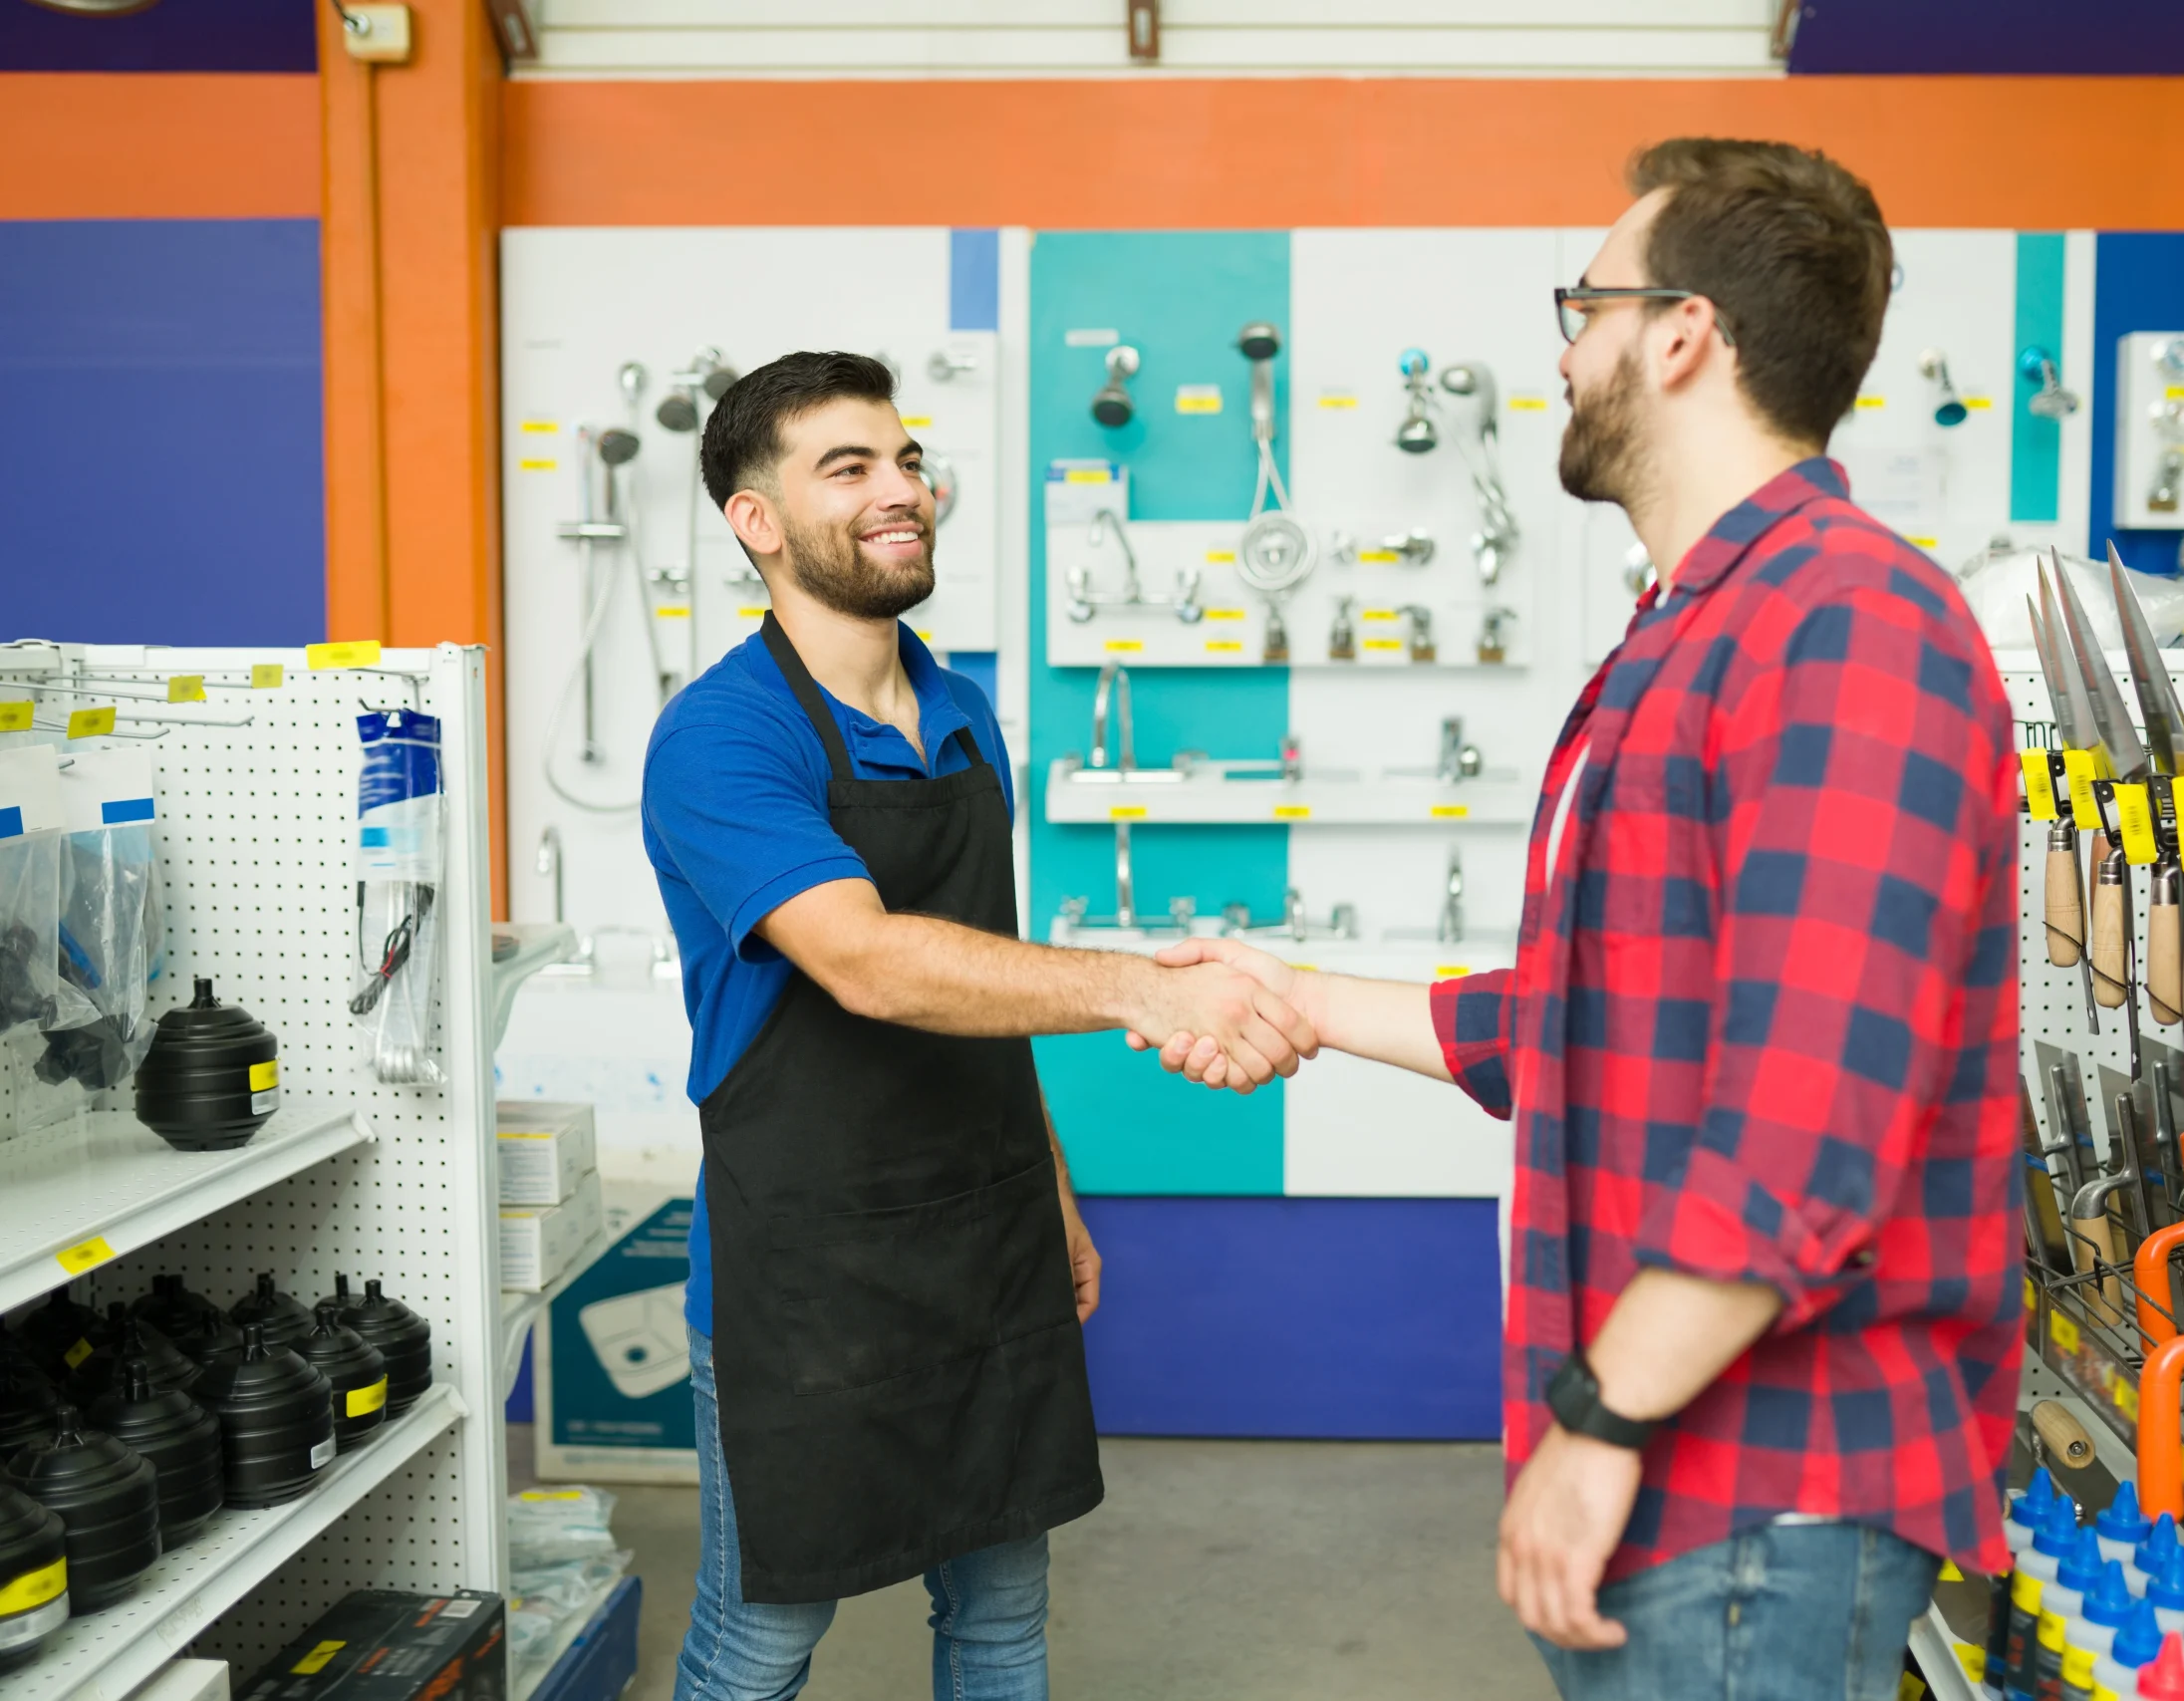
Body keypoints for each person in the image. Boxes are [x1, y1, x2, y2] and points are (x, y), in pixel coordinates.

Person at [1147, 139, 2024, 1700]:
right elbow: (1581, 1011)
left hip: (1760, 1487)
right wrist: (1291, 993)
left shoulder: (1851, 625)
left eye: (1587, 304)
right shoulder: (1690, 632)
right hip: (1686, 1478)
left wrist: (1601, 1419)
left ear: (1682, 333)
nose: (1564, 349)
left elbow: (1807, 1124)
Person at [645, 351, 1317, 1701]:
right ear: (755, 521)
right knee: (764, 1634)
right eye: (851, 468)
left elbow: (986, 986)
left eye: (905, 459)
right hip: (806, 1273)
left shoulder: (960, 717)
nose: (903, 490)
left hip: (984, 1243)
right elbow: (874, 964)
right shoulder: (722, 738)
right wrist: (1145, 986)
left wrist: (1053, 1190)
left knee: (1005, 1619)